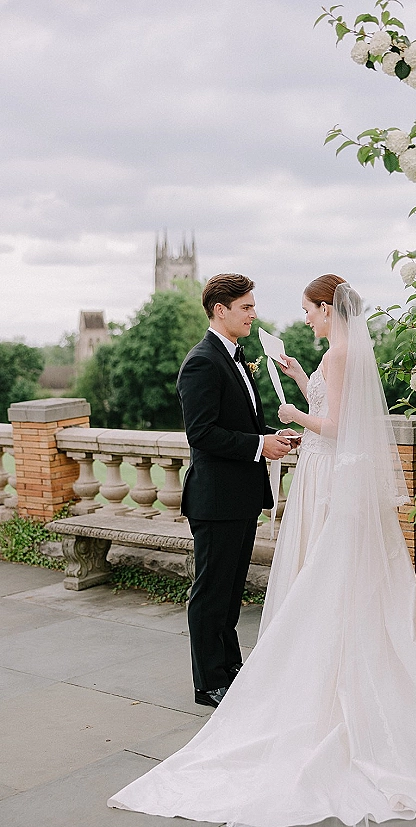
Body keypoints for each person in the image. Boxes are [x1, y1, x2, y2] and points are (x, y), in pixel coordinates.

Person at [109, 276, 416, 827]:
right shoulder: (265, 358)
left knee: (303, 585)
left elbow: (332, 424)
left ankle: (257, 674)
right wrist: (289, 403)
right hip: (259, 489)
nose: (295, 317)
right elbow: (250, 423)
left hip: (322, 476)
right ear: (221, 310)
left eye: (308, 310)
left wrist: (288, 415)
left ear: (327, 309)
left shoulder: (337, 352)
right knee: (243, 589)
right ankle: (219, 677)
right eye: (250, 306)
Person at [175, 273, 293, 708]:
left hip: (241, 495)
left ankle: (230, 666)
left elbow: (238, 424)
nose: (253, 313)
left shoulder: (237, 357)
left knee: (230, 591)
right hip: (216, 498)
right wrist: (259, 445)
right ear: (220, 310)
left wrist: (271, 436)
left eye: (252, 305)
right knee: (210, 593)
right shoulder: (202, 361)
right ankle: (208, 682)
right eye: (246, 307)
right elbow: (202, 433)